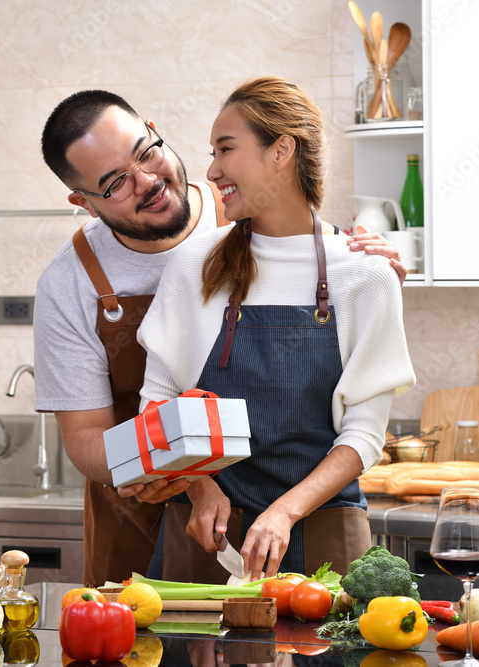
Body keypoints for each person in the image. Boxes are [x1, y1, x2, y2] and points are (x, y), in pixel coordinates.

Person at [36, 90, 406, 586]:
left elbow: (294, 240)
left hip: (318, 522)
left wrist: (372, 277)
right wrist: (175, 474)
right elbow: (93, 431)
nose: (148, 181)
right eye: (116, 183)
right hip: (171, 513)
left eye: (146, 153)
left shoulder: (347, 265)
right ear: (83, 202)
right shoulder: (86, 279)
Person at [137, 77, 416, 582]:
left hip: (325, 535)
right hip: (206, 536)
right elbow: (157, 401)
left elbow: (365, 434)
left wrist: (284, 512)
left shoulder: (365, 274)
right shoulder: (191, 266)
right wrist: (199, 487)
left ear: (281, 150)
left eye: (226, 149)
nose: (212, 170)